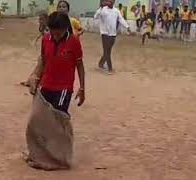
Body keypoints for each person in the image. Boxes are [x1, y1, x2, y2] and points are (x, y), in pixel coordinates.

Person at [25, 11, 85, 171]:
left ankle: (59, 158)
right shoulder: (45, 39)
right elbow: (43, 61)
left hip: (64, 88)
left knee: (57, 122)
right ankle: (39, 153)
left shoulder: (74, 42)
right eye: (53, 31)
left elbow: (79, 65)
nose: (56, 35)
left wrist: (82, 88)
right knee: (36, 120)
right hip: (45, 85)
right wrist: (35, 78)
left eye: (59, 31)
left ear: (66, 28)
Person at [94, 0, 130, 74]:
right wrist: (100, 8)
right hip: (105, 33)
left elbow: (121, 19)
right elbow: (95, 16)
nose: (109, 2)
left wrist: (127, 26)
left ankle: (101, 63)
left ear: (113, 2)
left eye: (111, 1)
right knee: (107, 52)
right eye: (108, 1)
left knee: (107, 51)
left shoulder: (116, 11)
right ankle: (110, 68)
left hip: (113, 34)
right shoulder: (103, 10)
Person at [20, 11, 49, 87]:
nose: (40, 21)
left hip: (49, 50)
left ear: (46, 19)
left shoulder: (49, 28)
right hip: (45, 50)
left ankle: (32, 81)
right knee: (40, 66)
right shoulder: (43, 28)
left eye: (42, 19)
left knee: (41, 66)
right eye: (39, 19)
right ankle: (32, 81)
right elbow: (42, 36)